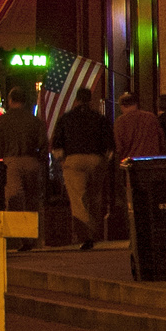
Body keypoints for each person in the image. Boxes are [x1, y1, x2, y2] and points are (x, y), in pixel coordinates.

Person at [51, 87, 114, 249]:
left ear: (76, 100)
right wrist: (105, 160)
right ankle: (95, 230)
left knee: (79, 199)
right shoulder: (99, 118)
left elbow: (57, 143)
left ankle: (86, 235)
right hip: (96, 159)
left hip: (74, 160)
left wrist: (62, 160)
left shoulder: (67, 118)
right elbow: (109, 143)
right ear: (90, 100)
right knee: (95, 196)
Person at [0, 87, 45, 249]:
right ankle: (34, 238)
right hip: (32, 161)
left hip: (11, 162)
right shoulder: (35, 120)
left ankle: (17, 238)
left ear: (10, 100)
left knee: (13, 200)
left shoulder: (3, 121)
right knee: (32, 201)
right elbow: (43, 144)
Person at [113, 92, 165, 162]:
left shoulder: (120, 121)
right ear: (136, 104)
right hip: (152, 161)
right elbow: (161, 141)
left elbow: (119, 146)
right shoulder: (151, 117)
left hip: (131, 162)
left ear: (122, 106)